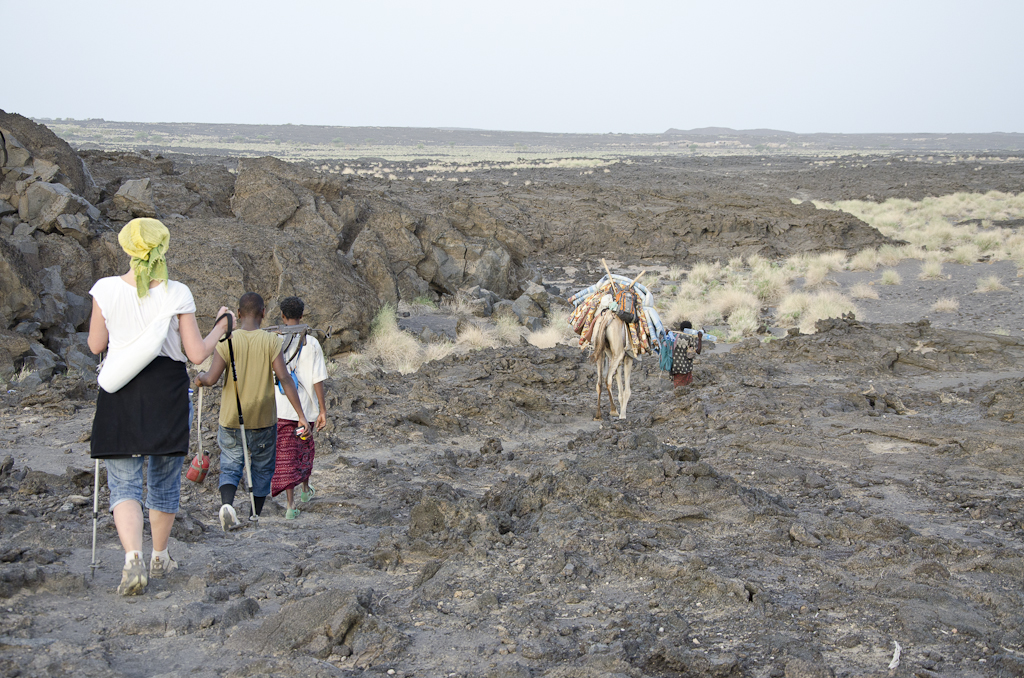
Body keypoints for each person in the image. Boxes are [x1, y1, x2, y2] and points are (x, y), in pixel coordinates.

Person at [88, 217, 234, 597]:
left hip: (119, 391)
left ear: (127, 248)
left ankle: (132, 557)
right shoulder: (177, 292)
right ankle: (160, 555)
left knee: (123, 483)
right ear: (163, 249)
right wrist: (222, 324)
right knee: (164, 479)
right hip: (165, 393)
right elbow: (198, 354)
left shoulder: (104, 290)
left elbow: (94, 344)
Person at [194, 292, 310, 531]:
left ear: (238, 314)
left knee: (230, 464)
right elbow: (285, 379)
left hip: (231, 420)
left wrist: (200, 379)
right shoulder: (270, 342)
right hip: (263, 419)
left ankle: (227, 505)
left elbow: (212, 378)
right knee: (262, 467)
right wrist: (300, 415)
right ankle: (254, 515)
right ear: (263, 314)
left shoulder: (226, 341)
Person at [270, 297, 328, 520]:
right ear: (302, 316)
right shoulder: (311, 343)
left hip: (280, 410)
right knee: (303, 451)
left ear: (282, 316)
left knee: (285, 456)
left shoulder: (274, 341)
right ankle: (305, 489)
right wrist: (322, 409)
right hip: (305, 409)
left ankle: (290, 505)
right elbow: (318, 379)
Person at [670, 320, 702, 388]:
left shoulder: (674, 336)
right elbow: (698, 351)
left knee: (677, 385)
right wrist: (700, 339)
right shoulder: (689, 338)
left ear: (681, 328)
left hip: (675, 366)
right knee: (686, 387)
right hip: (685, 367)